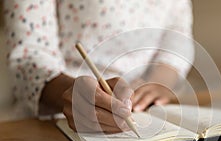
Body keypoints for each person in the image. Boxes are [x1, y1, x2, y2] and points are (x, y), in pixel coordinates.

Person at [4, 0, 193, 133]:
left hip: (145, 113)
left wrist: (158, 83)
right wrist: (72, 95)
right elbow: (29, 55)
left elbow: (177, 34)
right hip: (55, 122)